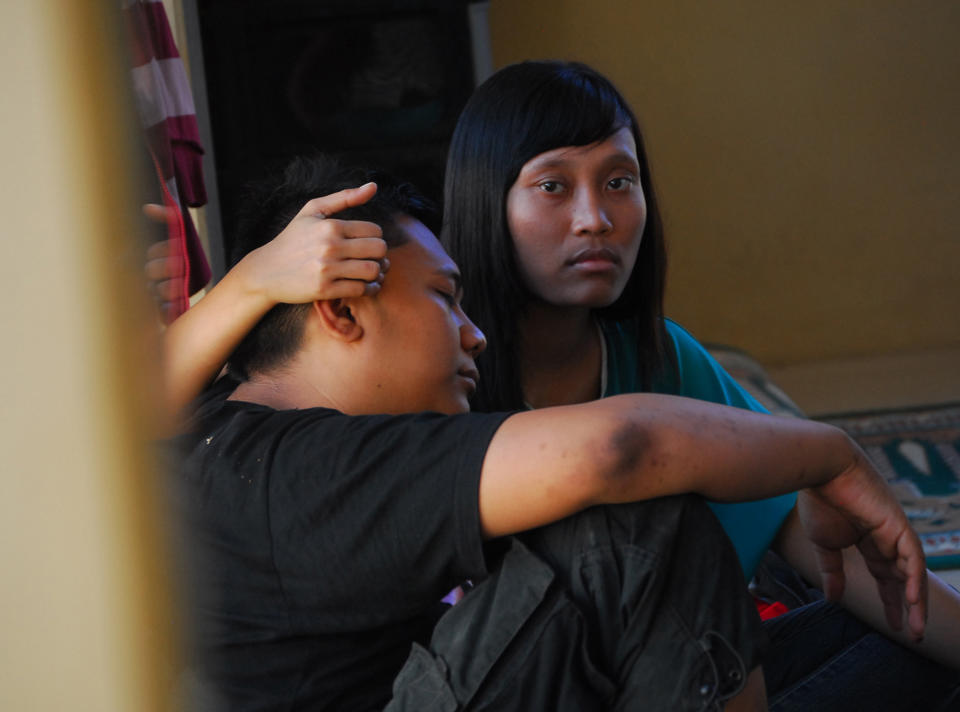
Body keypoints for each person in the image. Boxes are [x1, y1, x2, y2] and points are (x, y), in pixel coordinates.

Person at [164, 155, 928, 711]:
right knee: (632, 528)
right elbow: (619, 448)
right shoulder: (313, 469)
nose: (475, 336)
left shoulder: (208, 425)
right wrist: (831, 453)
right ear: (339, 309)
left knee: (887, 645)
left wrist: (247, 285)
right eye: (443, 299)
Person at [438, 60, 960, 709]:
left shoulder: (659, 356)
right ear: (487, 199)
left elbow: (814, 543)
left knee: (906, 641)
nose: (595, 217)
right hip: (538, 691)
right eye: (552, 186)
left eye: (619, 181)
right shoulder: (440, 374)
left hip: (680, 676)